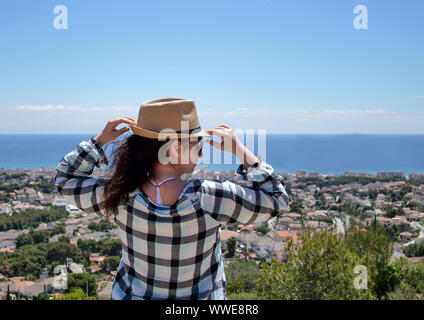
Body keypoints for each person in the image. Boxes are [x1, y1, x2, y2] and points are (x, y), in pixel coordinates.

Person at [54, 97, 290, 300]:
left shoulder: (120, 194)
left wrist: (99, 141)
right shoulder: (213, 197)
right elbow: (277, 199)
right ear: (175, 148)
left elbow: (65, 180)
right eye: (198, 144)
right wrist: (242, 151)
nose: (201, 152)